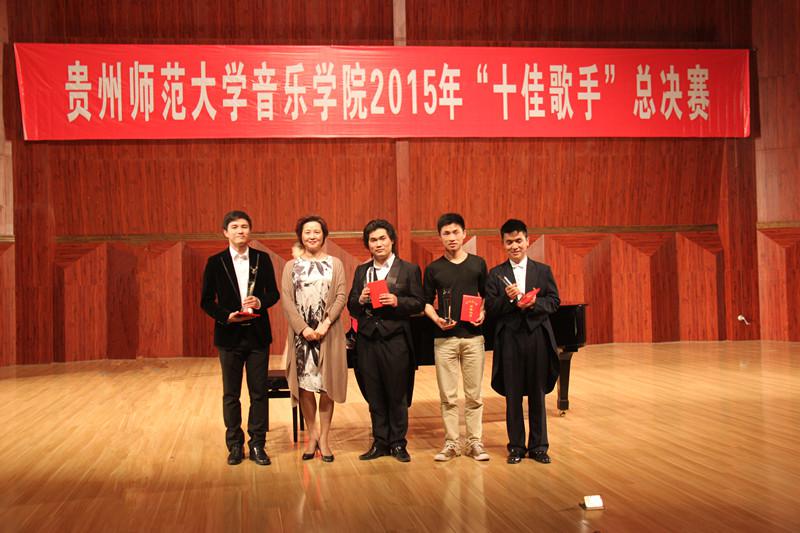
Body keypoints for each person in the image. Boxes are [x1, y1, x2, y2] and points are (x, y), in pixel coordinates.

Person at [200, 210, 280, 466]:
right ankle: (235, 444)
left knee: (259, 393)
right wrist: (226, 316)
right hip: (229, 336)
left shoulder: (262, 259)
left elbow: (274, 294)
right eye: (234, 227)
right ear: (226, 232)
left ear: (250, 231)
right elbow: (206, 301)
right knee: (231, 394)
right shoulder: (215, 262)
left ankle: (257, 444)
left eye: (244, 226)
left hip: (258, 336)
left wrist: (260, 302)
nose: (240, 231)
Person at [347, 219, 424, 462]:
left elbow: (419, 303)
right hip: (368, 340)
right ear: (368, 244)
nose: (378, 244)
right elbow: (351, 306)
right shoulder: (362, 271)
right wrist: (360, 300)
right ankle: (380, 442)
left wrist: (397, 301)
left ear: (392, 240)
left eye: (382, 238)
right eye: (373, 240)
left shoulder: (409, 269)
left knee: (397, 393)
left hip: (396, 340)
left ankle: (398, 443)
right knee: (374, 393)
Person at [484, 219, 560, 464]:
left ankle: (539, 447)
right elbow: (491, 308)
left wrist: (534, 302)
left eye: (518, 240)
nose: (514, 246)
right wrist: (508, 300)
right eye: (509, 242)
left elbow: (554, 302)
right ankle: (516, 446)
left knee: (537, 393)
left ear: (528, 241)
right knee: (513, 395)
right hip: (509, 339)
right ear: (503, 244)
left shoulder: (543, 271)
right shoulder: (496, 274)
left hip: (537, 337)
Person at [422, 213, 489, 462]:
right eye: (446, 233)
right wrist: (437, 319)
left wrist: (482, 313)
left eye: (455, 232)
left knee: (474, 395)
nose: (451, 237)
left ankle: (474, 443)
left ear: (464, 234)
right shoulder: (433, 268)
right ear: (440, 237)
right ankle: (451, 443)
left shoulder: (478, 264)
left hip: (473, 338)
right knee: (448, 397)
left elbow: (487, 295)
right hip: (445, 339)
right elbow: (425, 302)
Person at [280, 215, 347, 462]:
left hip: (329, 333)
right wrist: (303, 329)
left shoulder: (335, 264)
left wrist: (325, 323)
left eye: (316, 232)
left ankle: (325, 439)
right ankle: (312, 436)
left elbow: (341, 295)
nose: (312, 236)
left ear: (324, 235)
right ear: (301, 236)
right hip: (302, 338)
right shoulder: (291, 266)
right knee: (306, 387)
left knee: (327, 386)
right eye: (307, 232)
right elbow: (287, 300)